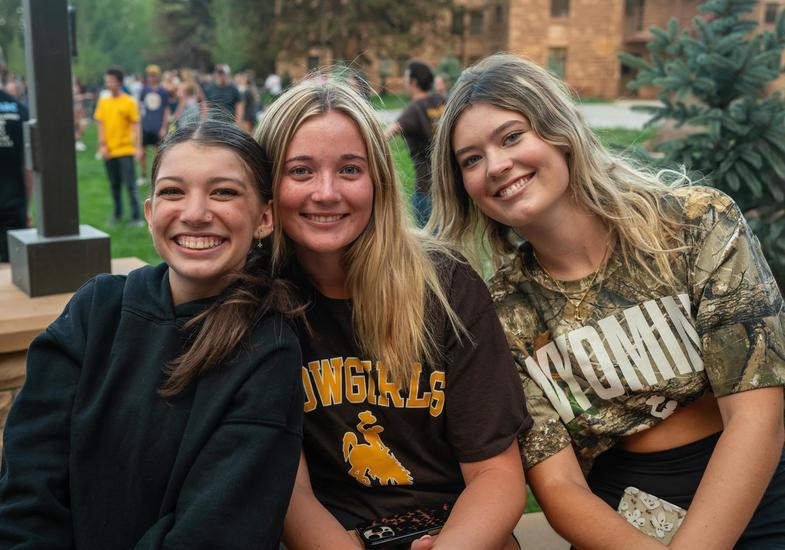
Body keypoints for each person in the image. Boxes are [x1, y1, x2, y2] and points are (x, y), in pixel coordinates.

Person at [429, 53, 785, 549]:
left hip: (755, 489)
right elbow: (558, 484)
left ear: (559, 132)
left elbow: (756, 417)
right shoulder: (505, 311)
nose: (496, 165)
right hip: (620, 518)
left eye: (512, 136)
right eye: (471, 159)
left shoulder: (695, 226)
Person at [0, 115, 304, 549]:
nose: (195, 214)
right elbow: (29, 486)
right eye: (172, 192)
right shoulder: (95, 312)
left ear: (265, 218)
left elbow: (219, 529)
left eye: (224, 192)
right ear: (149, 213)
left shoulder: (267, 350)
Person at [255, 78, 531, 550]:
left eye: (349, 169)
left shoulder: (445, 284)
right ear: (266, 187)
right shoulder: (258, 302)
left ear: (379, 180)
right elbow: (290, 492)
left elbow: (495, 473)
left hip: (456, 532)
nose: (326, 192)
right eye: (300, 171)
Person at [384, 60, 446, 228]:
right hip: (447, 187)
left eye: (405, 77)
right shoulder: (441, 101)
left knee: (427, 246)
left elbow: (386, 135)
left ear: (414, 82)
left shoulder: (414, 109)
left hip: (425, 190)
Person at [94, 67, 144, 226]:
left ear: (119, 82)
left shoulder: (130, 101)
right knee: (114, 185)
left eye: (111, 81)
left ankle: (136, 218)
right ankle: (117, 215)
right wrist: (102, 145)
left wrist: (138, 147)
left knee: (130, 185)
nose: (108, 84)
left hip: (126, 150)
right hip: (109, 150)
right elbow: (100, 124)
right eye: (106, 81)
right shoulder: (103, 102)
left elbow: (136, 126)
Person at [0, 77, 30, 263]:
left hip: (13, 202)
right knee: (11, 264)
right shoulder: (20, 109)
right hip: (14, 201)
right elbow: (28, 165)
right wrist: (27, 205)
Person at [137, 64, 170, 186]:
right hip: (145, 125)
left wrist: (163, 127)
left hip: (158, 126)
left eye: (153, 75)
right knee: (143, 152)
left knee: (158, 153)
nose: (151, 77)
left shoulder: (163, 91)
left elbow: (166, 110)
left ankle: (157, 176)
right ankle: (143, 175)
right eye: (150, 75)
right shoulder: (144, 90)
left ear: (157, 76)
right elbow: (140, 108)